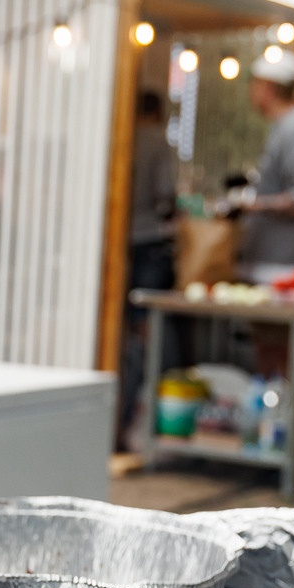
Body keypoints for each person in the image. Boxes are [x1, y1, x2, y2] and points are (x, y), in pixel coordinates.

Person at [118, 89, 178, 448]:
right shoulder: (157, 142)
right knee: (147, 337)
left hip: (121, 245)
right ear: (157, 113)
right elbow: (166, 194)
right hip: (150, 246)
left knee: (126, 340)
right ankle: (137, 426)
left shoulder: (119, 134)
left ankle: (124, 423)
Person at [237, 49, 294, 280]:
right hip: (270, 262)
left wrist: (251, 205)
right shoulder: (283, 127)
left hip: (283, 269)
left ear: (268, 87)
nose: (250, 91)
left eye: (254, 84)